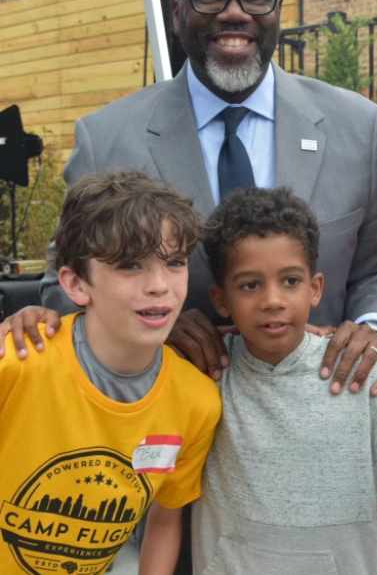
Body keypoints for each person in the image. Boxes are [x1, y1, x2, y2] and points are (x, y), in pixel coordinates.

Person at [1, 0, 377, 400]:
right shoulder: (106, 138)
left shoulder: (355, 126)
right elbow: (65, 283)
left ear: (277, 9)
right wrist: (150, 328)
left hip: (317, 419)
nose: (235, 14)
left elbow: (376, 268)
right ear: (176, 12)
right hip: (161, 426)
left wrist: (375, 328)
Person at [190, 187, 377, 575]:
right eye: (250, 285)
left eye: (289, 281)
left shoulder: (359, 372)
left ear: (315, 288)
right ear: (221, 300)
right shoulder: (208, 375)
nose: (272, 300)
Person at [0, 171, 221, 574]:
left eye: (174, 263)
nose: (159, 285)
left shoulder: (197, 402)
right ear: (76, 284)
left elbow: (165, 517)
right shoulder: (17, 364)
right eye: (129, 265)